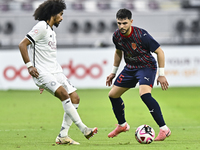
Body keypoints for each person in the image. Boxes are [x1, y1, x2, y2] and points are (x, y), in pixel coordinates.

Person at [18, 0, 97, 145]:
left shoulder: (51, 31)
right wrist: (30, 66)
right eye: (60, 14)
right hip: (42, 72)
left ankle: (63, 135)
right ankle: (84, 128)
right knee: (63, 94)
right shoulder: (41, 26)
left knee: (75, 98)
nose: (61, 17)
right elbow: (22, 44)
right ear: (53, 13)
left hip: (55, 71)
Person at [106, 8, 171, 141]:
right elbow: (118, 52)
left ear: (131, 21)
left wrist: (162, 74)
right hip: (130, 68)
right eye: (119, 23)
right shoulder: (116, 36)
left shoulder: (142, 35)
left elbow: (160, 52)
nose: (122, 26)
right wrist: (113, 72)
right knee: (113, 95)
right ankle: (122, 125)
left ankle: (164, 129)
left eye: (124, 23)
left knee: (145, 95)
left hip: (146, 67)